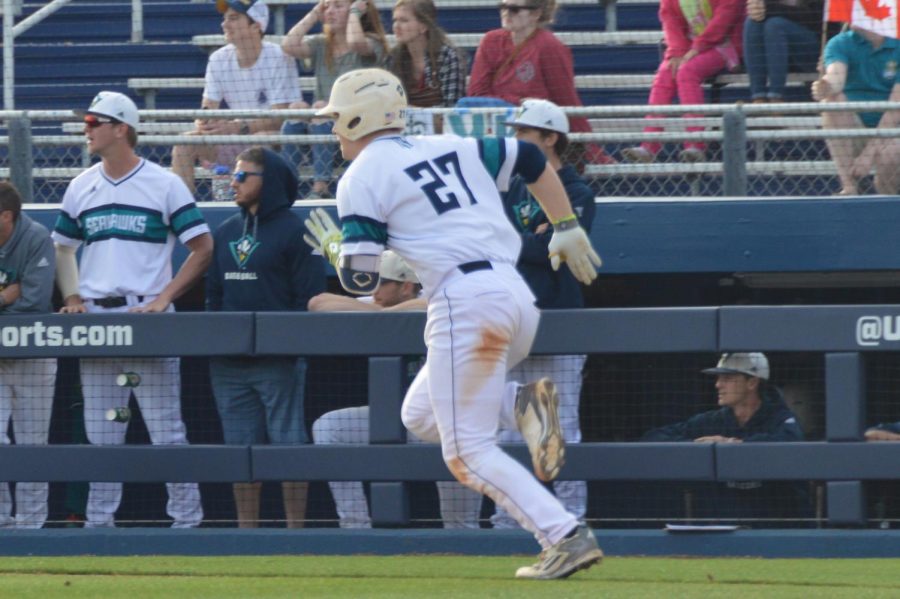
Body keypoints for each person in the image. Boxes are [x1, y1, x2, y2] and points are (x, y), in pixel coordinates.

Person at [304, 68, 603, 580]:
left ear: (360, 116)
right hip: (513, 295)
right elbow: (530, 158)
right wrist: (566, 224)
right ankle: (524, 404)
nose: (333, 129)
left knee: (466, 452)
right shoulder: (449, 142)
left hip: (463, 303)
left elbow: (359, 280)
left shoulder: (360, 176)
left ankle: (563, 535)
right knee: (419, 416)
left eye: (336, 118)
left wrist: (336, 250)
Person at [52, 91, 213, 528]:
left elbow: (202, 246)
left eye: (92, 122)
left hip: (148, 319)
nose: (86, 129)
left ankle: (187, 525)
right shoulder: (81, 184)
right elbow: (63, 249)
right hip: (98, 322)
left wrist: (165, 298)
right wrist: (71, 298)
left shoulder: (163, 183)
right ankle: (98, 527)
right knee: (103, 436)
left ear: (120, 127)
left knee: (167, 432)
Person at [308, 250, 482, 529]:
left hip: (446, 425)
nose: (373, 289)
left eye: (381, 283)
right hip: (393, 419)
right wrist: (380, 312)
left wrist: (382, 313)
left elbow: (434, 304)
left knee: (461, 524)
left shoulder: (437, 295)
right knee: (330, 427)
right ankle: (355, 528)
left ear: (406, 286)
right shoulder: (378, 300)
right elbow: (318, 302)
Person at [206, 146, 325, 528]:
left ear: (268, 181)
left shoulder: (298, 231)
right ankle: (246, 534)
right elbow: (214, 296)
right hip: (229, 365)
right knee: (239, 453)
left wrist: (285, 346)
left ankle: (296, 532)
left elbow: (306, 298)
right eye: (233, 174)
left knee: (289, 448)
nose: (234, 182)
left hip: (279, 362)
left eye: (243, 176)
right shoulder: (224, 232)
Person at [491, 99, 594, 529]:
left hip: (557, 322)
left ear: (550, 138)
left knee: (558, 430)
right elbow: (497, 240)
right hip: (511, 321)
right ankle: (509, 523)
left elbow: (554, 250)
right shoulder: (512, 186)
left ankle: (572, 523)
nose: (515, 140)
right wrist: (527, 240)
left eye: (524, 133)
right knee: (511, 433)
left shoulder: (576, 191)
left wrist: (519, 241)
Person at [642, 353, 808, 522]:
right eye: (719, 378)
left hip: (774, 530)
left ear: (752, 382)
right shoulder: (711, 421)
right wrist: (695, 444)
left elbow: (788, 445)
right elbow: (652, 438)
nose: (718, 385)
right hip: (721, 530)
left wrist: (733, 445)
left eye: (728, 378)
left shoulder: (781, 419)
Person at [171, 0, 302, 196]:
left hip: (269, 138)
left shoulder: (279, 57)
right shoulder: (218, 58)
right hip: (234, 135)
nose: (225, 24)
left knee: (260, 140)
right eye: (225, 19)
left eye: (233, 18)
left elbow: (279, 118)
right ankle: (183, 212)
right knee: (184, 144)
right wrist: (207, 121)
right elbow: (207, 107)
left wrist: (238, 126)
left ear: (256, 26)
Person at [465, 0, 614, 164]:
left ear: (536, 14)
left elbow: (566, 99)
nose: (506, 13)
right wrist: (521, 102)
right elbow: (476, 93)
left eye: (514, 9)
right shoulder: (491, 41)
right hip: (495, 131)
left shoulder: (550, 46)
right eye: (503, 7)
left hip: (534, 134)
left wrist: (594, 152)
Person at [281, 0, 389, 198]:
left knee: (322, 107)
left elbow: (356, 43)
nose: (330, 11)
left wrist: (355, 13)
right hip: (321, 131)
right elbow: (289, 45)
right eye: (327, 6)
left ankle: (320, 188)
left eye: (338, 6)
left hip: (356, 130)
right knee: (297, 107)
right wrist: (315, 12)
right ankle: (286, 185)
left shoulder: (371, 42)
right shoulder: (322, 44)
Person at [621, 0, 745, 164]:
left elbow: (724, 19)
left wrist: (696, 49)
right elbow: (670, 21)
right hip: (687, 46)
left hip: (723, 43)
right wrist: (678, 52)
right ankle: (648, 147)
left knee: (687, 72)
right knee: (665, 73)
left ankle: (696, 145)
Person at [0, 182, 57, 529]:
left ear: (6, 216)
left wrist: (11, 300)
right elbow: (19, 299)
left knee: (33, 442)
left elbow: (35, 302)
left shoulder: (35, 236)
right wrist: (6, 296)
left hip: (33, 350)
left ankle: (33, 527)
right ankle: (2, 523)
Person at [812, 26, 900, 196]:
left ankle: (885, 197)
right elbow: (836, 78)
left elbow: (895, 108)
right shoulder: (839, 43)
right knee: (833, 101)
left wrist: (869, 153)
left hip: (892, 129)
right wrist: (826, 86)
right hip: (854, 127)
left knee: (892, 153)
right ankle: (850, 188)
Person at [387, 0, 466, 109]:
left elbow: (451, 110)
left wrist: (415, 112)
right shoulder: (392, 58)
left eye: (404, 20)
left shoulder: (448, 57)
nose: (396, 26)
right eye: (394, 20)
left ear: (423, 27)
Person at [742, 0, 821, 104]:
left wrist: (768, 9)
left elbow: (812, 17)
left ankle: (776, 98)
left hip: (812, 50)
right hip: (778, 51)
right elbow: (761, 9)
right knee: (752, 22)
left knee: (774, 25)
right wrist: (757, 9)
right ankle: (758, 97)